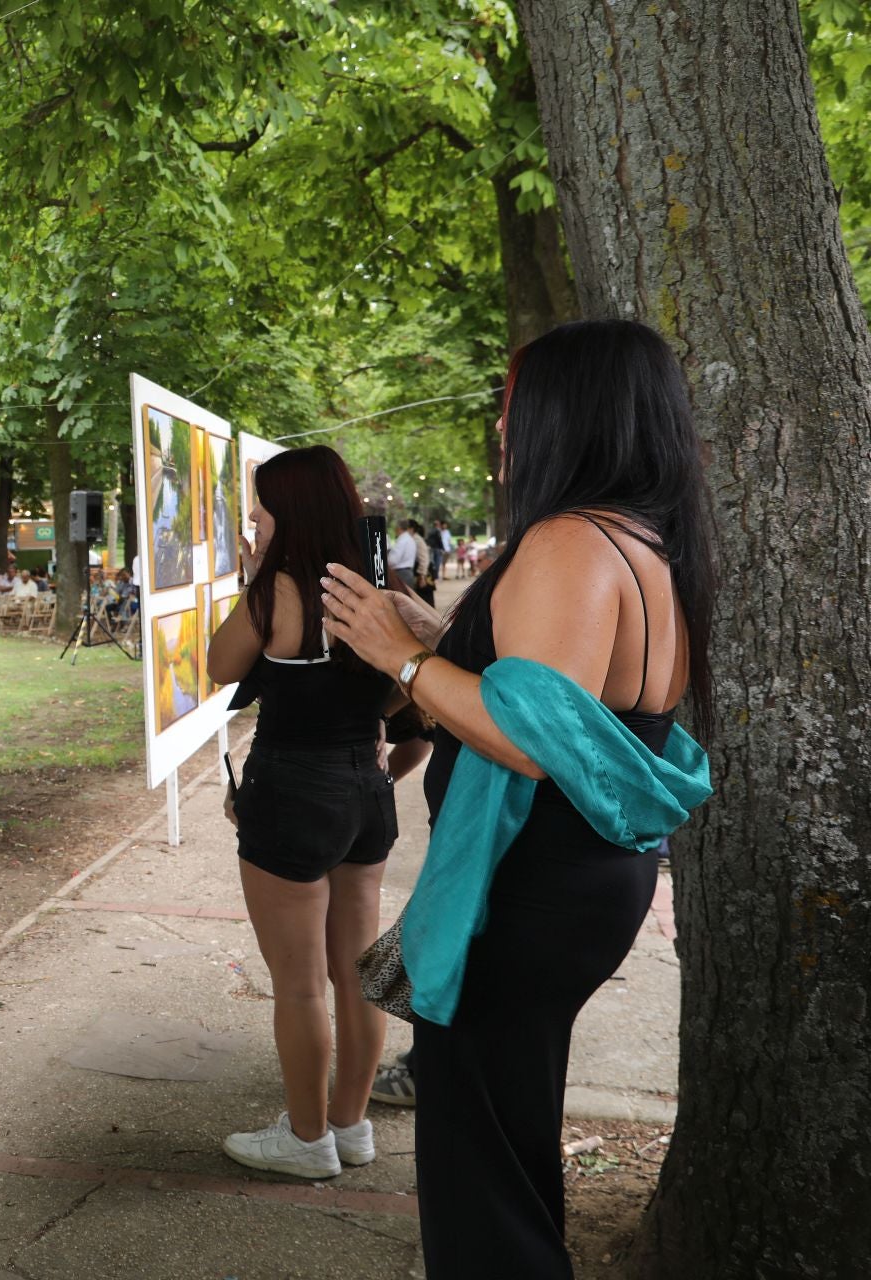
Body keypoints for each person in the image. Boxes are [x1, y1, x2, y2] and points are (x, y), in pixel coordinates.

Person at [319, 319, 715, 1278]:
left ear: (567, 415)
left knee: (477, 1175)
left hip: (526, 894)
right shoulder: (638, 542)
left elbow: (531, 739)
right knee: (506, 1136)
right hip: (573, 886)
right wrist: (439, 631)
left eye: (513, 404)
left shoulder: (570, 542)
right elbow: (556, 692)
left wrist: (400, 656)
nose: (503, 425)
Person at [205, 445, 399, 1181]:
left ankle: (307, 1139)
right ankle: (352, 1128)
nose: (253, 523)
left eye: (259, 511)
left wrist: (255, 573)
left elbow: (223, 665)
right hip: (367, 791)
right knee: (363, 974)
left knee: (299, 985)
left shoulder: (277, 590)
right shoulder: (374, 582)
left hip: (291, 792)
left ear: (287, 512)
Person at [388, 518, 421, 590]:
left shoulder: (402, 540)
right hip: (408, 573)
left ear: (398, 528)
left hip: (401, 574)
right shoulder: (410, 539)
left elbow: (392, 560)